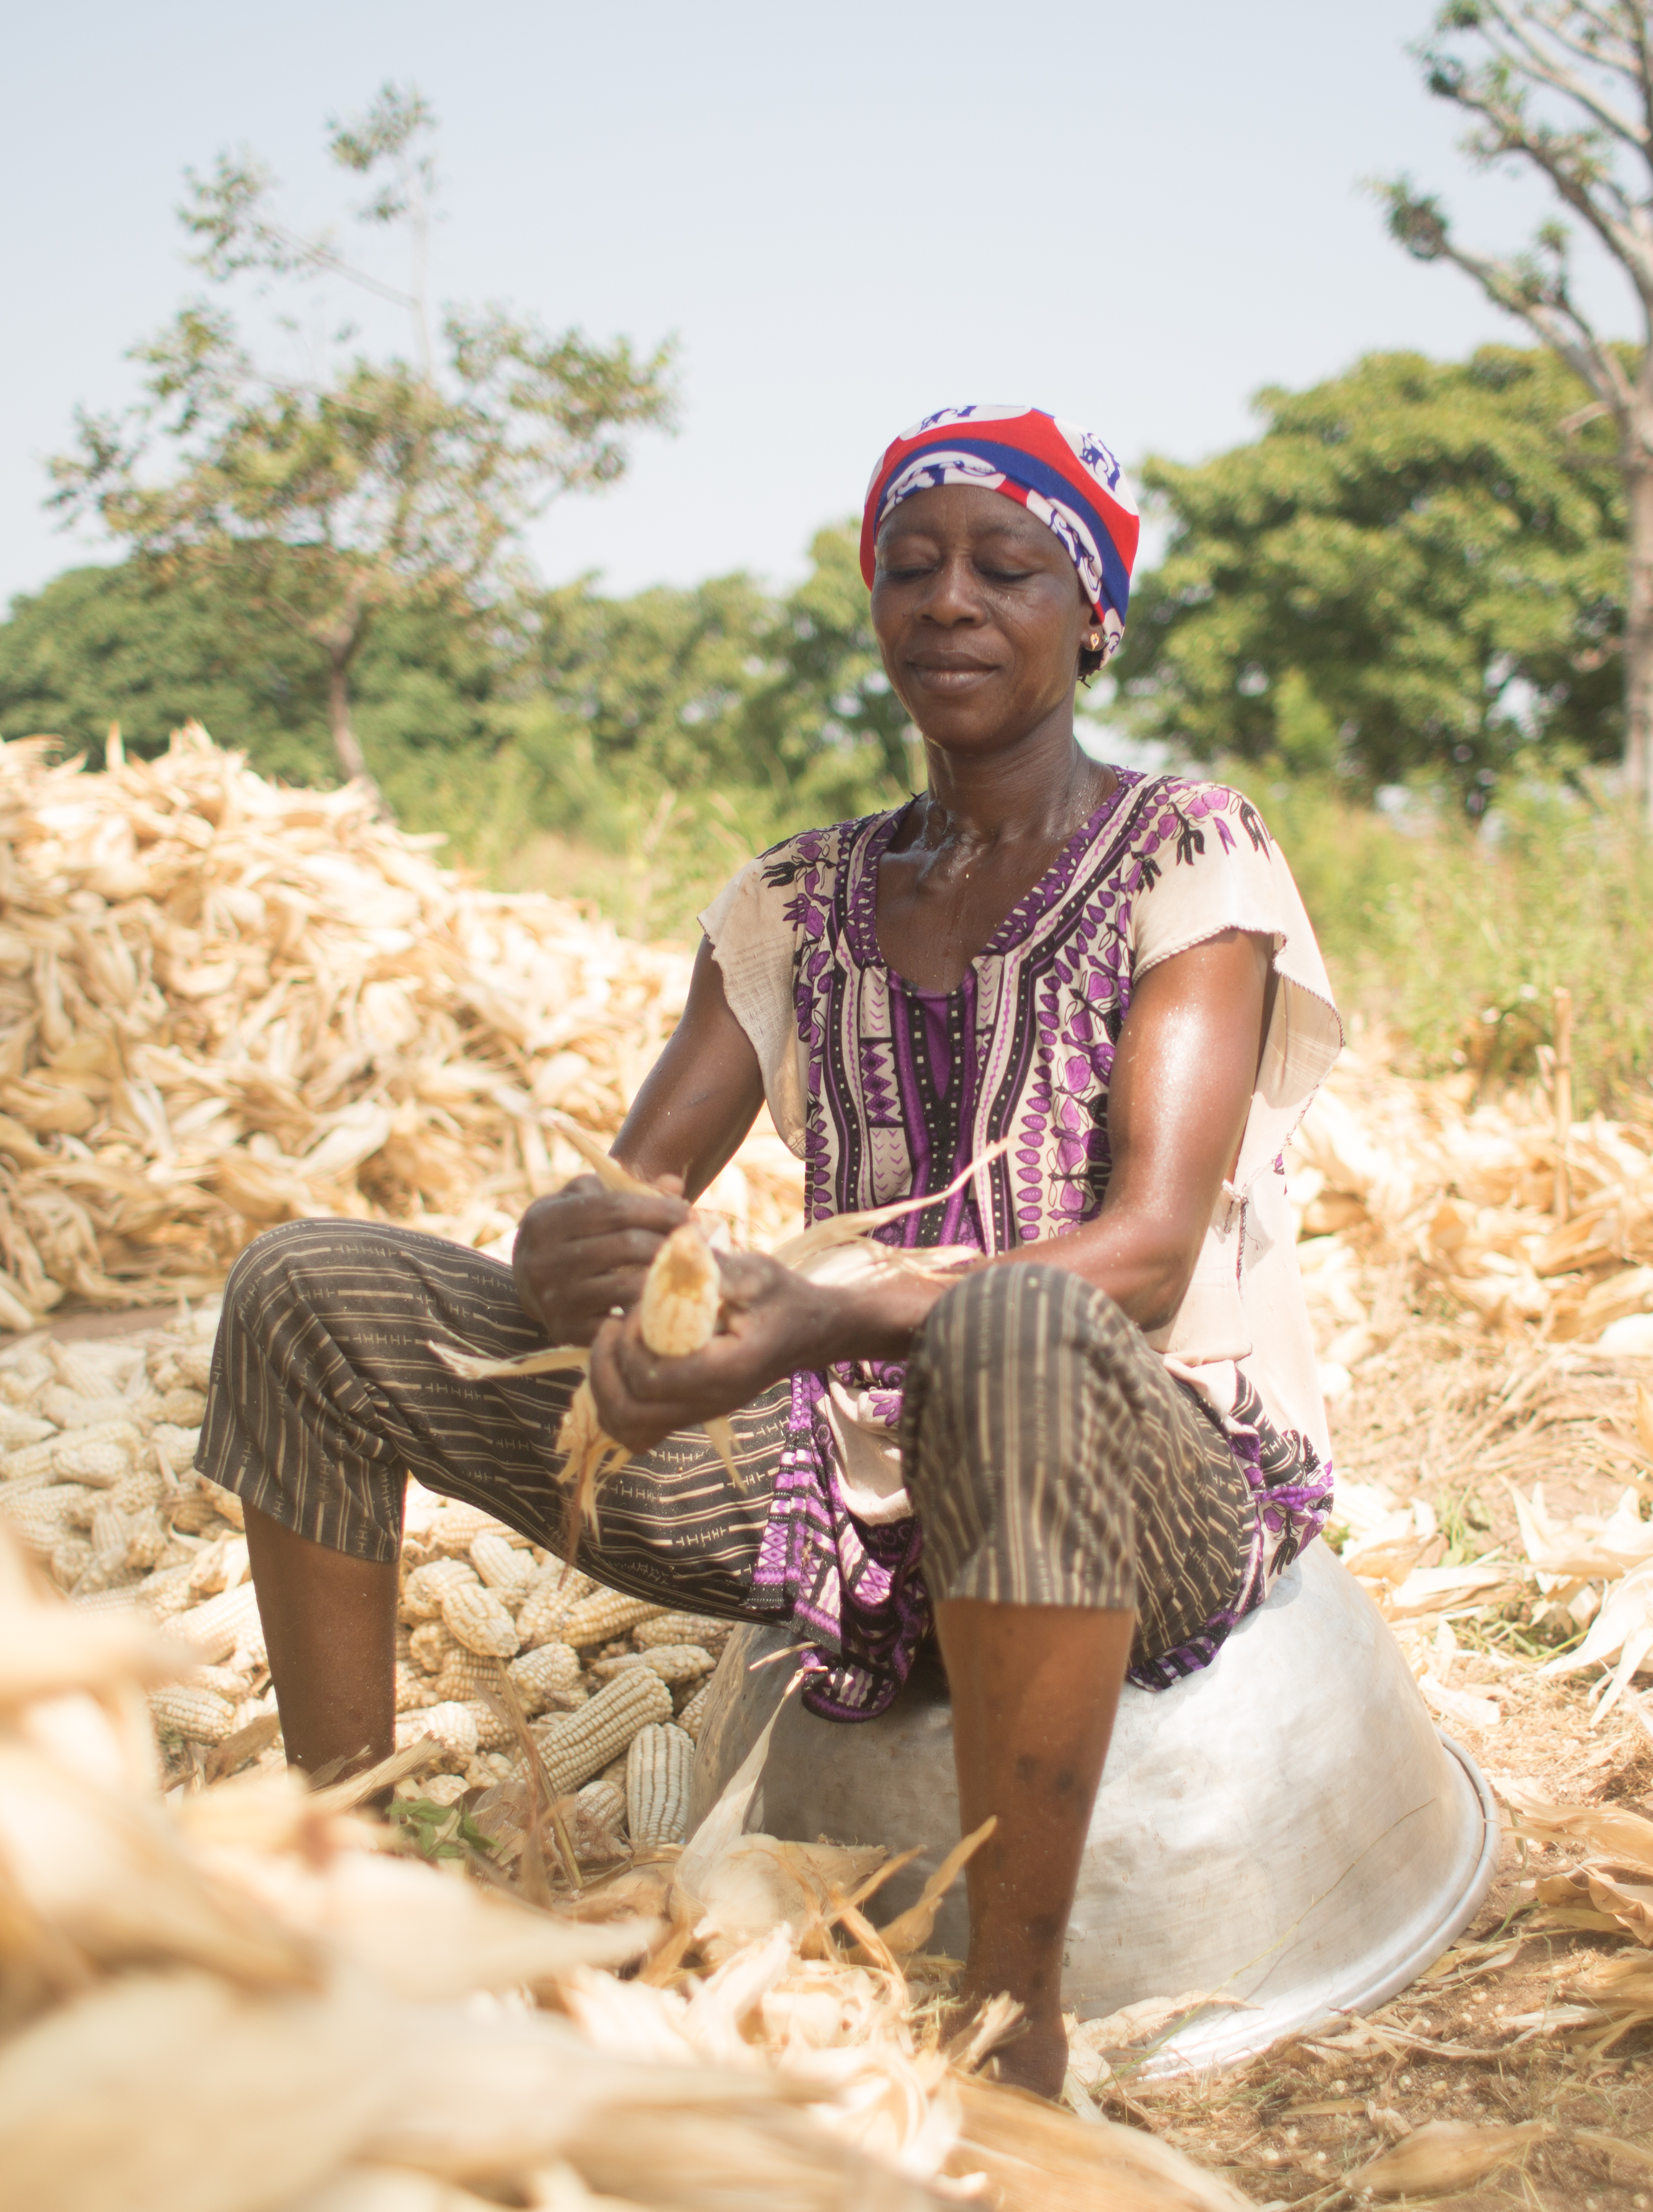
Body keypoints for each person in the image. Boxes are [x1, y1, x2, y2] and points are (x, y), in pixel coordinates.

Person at [199, 404, 1341, 2095]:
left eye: (1007, 569)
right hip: (835, 1480)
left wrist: (802, 1321)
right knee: (306, 1291)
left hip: (1129, 1461)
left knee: (1007, 1334)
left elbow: (1151, 1253)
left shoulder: (1186, 853)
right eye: (911, 567)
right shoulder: (801, 899)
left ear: (1093, 616)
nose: (950, 601)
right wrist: (575, 1254)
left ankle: (1011, 2043)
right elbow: (639, 1187)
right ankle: (347, 1915)